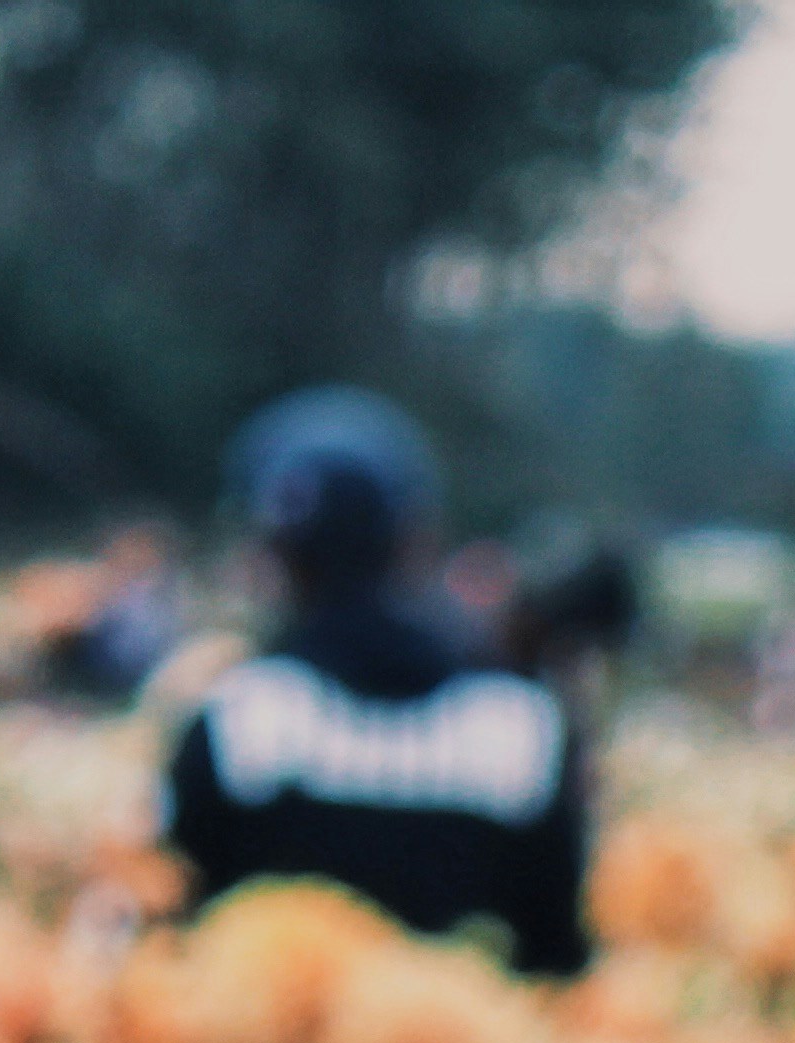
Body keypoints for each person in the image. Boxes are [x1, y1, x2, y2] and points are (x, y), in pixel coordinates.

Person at [161, 391, 589, 975]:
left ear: (273, 555)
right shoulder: (523, 722)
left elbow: (180, 921)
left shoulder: (237, 716)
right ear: (413, 540)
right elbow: (560, 956)